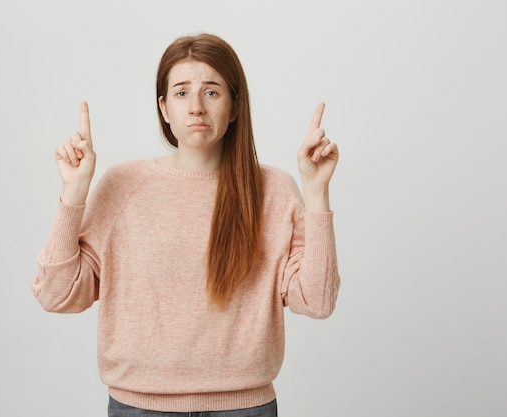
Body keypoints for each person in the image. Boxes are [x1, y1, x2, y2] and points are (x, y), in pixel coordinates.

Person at [33, 33, 340, 416]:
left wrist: (316, 193)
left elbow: (318, 300)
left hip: (244, 407)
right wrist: (74, 193)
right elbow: (56, 295)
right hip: (138, 407)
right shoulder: (122, 185)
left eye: (211, 92)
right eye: (180, 93)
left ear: (233, 106)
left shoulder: (273, 190)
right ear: (163, 108)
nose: (195, 106)